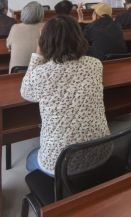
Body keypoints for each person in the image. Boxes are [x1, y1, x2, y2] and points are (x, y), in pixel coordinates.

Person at [21, 15, 110, 177]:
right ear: (79, 37)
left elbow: (26, 93)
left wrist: (38, 54)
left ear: (45, 41)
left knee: (30, 159)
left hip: (60, 164)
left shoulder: (41, 73)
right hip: (101, 153)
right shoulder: (95, 64)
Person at [7, 2, 45, 72]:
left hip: (17, 73)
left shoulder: (15, 27)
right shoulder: (46, 27)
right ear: (41, 15)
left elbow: (8, 45)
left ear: (23, 13)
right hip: (41, 73)